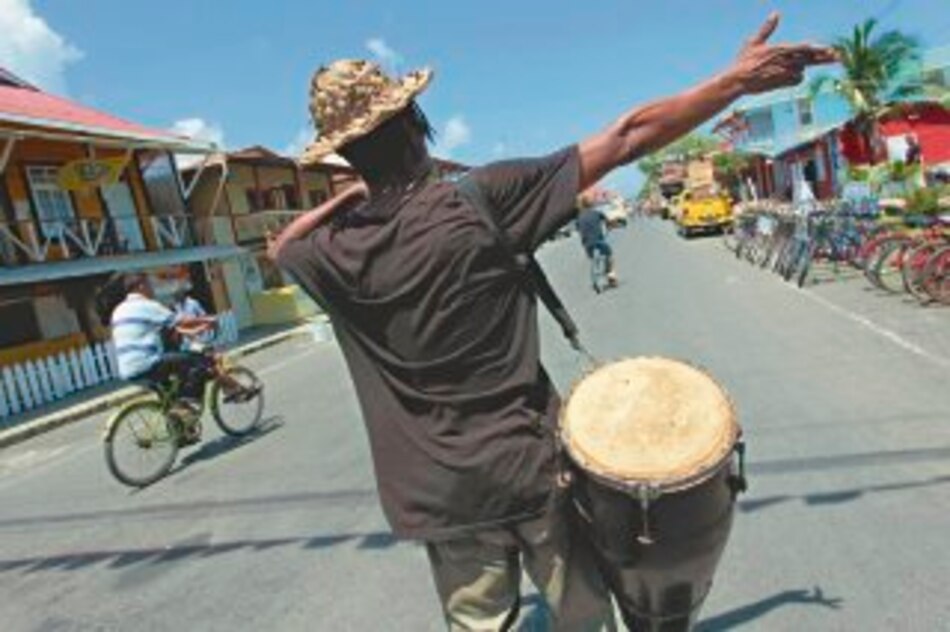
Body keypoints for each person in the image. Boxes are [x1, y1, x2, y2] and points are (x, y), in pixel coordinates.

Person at [270, 13, 834, 630]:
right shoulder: (483, 199)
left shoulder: (324, 256)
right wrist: (734, 82)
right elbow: (628, 138)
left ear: (346, 154)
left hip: (438, 494)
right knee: (583, 619)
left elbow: (280, 247)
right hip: (530, 471)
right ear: (415, 122)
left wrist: (355, 193)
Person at [110, 274, 217, 401]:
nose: (152, 290)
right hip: (147, 363)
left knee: (169, 392)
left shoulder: (118, 310)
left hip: (127, 370)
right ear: (141, 286)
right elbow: (181, 322)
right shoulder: (146, 305)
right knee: (198, 361)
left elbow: (176, 328)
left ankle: (174, 413)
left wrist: (196, 329)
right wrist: (208, 320)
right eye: (150, 285)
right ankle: (190, 400)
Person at [576, 198, 619, 288]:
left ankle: (595, 276)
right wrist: (611, 226)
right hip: (599, 241)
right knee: (609, 255)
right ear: (590, 205)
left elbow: (579, 229)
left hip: (587, 245)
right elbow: (609, 221)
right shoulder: (597, 213)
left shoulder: (579, 218)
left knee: (592, 258)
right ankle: (611, 279)